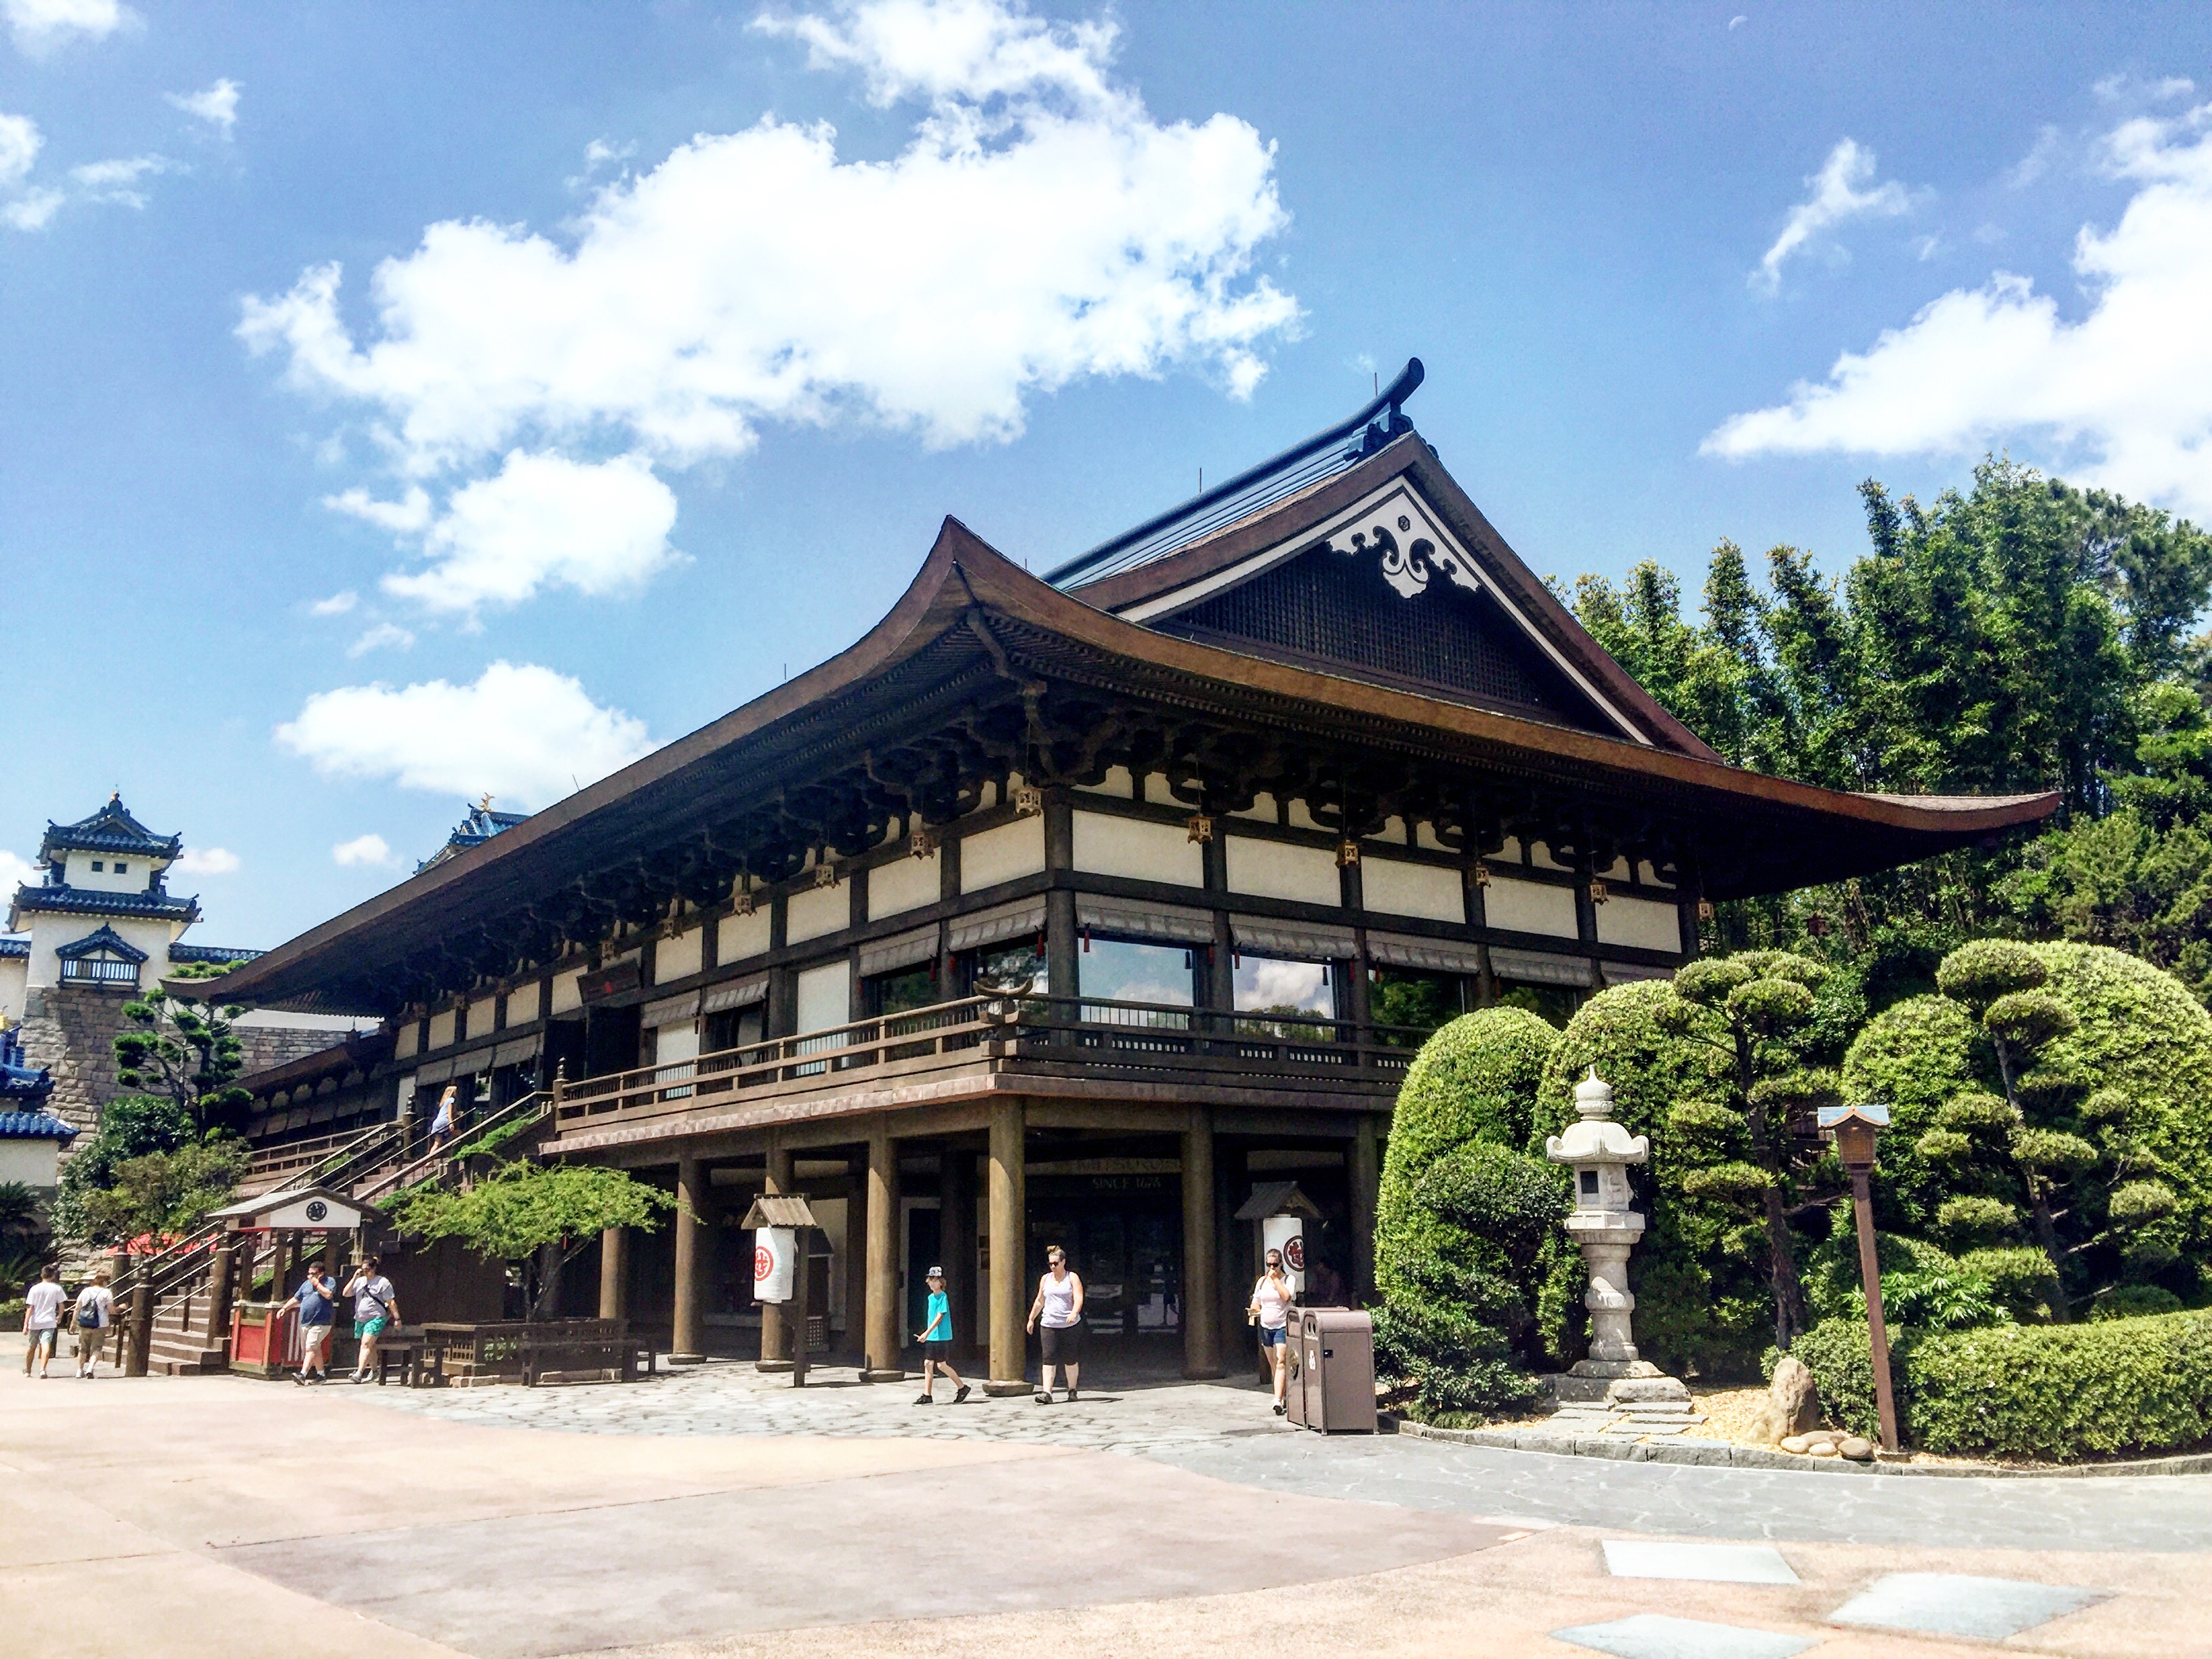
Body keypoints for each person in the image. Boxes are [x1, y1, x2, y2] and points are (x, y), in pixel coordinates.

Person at [1025, 1245, 1084, 1404]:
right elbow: (1040, 1300)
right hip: (1049, 1324)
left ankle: (1072, 1390)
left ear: (1063, 1262)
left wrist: (1074, 1312)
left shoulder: (1072, 1278)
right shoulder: (1046, 1279)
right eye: (1050, 1264)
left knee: (1070, 1358)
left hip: (1069, 1325)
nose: (1053, 1267)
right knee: (1048, 1357)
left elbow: (1079, 1297)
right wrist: (1031, 1319)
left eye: (1056, 1264)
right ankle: (1047, 1392)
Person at [912, 1266, 969, 1405]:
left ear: (941, 1282)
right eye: (930, 1280)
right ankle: (927, 1395)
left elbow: (940, 1316)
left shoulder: (943, 1296)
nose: (931, 1283)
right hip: (933, 1336)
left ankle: (962, 1387)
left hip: (941, 1336)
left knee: (941, 1365)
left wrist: (926, 1332)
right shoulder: (931, 1297)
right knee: (929, 1363)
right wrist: (927, 1334)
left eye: (935, 1280)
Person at [276, 1260, 339, 1384]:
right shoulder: (306, 1284)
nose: (311, 1276)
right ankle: (321, 1375)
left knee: (310, 1348)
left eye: (314, 1274)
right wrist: (284, 1308)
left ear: (321, 1273)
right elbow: (296, 1298)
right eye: (309, 1274)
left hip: (321, 1322)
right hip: (306, 1322)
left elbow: (328, 1295)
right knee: (315, 1349)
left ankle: (303, 1374)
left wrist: (317, 1284)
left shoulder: (329, 1282)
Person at [1250, 1247, 1295, 1415]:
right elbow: (1257, 1301)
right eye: (1269, 1264)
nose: (1271, 1268)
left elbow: (1286, 1297)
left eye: (1275, 1264)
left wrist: (1276, 1279)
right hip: (1266, 1326)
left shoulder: (1288, 1279)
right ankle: (1281, 1394)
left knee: (1281, 1360)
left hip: (1282, 1325)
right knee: (1273, 1364)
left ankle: (1277, 1400)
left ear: (1281, 1263)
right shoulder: (1262, 1281)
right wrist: (1254, 1310)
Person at [344, 1256, 401, 1382]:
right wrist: (355, 1277)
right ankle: (374, 1370)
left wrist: (397, 1318)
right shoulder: (360, 1281)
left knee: (366, 1344)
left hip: (376, 1317)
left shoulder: (382, 1282)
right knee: (370, 1346)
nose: (365, 1272)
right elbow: (346, 1293)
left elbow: (391, 1302)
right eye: (363, 1270)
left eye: (368, 1269)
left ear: (374, 1268)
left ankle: (359, 1373)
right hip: (360, 1318)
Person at [22, 1265, 64, 1379]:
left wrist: (25, 1325)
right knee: (46, 1344)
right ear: (52, 1276)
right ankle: (42, 1370)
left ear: (42, 1275)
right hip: (49, 1321)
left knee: (32, 1346)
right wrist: (59, 1317)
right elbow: (61, 1305)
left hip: (35, 1321)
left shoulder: (34, 1289)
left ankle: (28, 1370)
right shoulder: (57, 1289)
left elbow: (30, 1308)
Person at [72, 1270, 115, 1380]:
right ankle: (90, 1368)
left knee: (83, 1348)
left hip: (85, 1323)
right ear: (104, 1282)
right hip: (100, 1324)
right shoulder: (107, 1293)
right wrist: (120, 1309)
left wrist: (74, 1322)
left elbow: (77, 1308)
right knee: (97, 1347)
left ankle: (79, 1370)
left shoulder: (85, 1291)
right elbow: (111, 1310)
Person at [427, 1084, 457, 1155]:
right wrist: (451, 1123)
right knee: (459, 1133)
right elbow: (449, 1112)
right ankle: (452, 1151)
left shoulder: (444, 1102)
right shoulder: (451, 1100)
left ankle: (429, 1161)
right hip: (444, 1121)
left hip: (437, 1123)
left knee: (437, 1143)